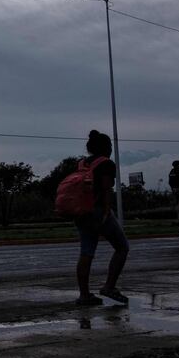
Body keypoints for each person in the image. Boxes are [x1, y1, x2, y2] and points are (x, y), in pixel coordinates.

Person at [74, 130, 130, 306]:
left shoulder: (82, 163)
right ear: (105, 147)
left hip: (81, 212)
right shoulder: (106, 163)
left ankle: (84, 295)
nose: (112, 148)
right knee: (122, 247)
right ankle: (109, 287)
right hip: (98, 211)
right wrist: (106, 211)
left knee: (86, 253)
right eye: (111, 146)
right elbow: (106, 189)